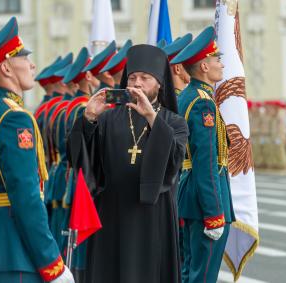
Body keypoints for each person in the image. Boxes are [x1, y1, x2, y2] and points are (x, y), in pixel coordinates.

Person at [0, 17, 74, 283]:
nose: (32, 64)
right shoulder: (15, 119)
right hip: (17, 252)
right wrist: (53, 264)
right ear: (7, 69)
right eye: (24, 57)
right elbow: (26, 197)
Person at [67, 44, 188, 283]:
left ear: (160, 83)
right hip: (112, 212)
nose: (137, 83)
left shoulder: (173, 122)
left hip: (153, 215)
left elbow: (174, 164)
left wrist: (152, 119)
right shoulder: (108, 117)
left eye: (145, 78)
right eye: (132, 77)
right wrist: (89, 119)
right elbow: (81, 161)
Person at [170, 26, 235, 283]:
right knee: (203, 276)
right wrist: (214, 213)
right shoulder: (203, 103)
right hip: (203, 202)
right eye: (216, 59)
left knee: (189, 273)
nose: (221, 64)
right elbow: (206, 161)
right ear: (204, 67)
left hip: (189, 197)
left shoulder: (187, 96)